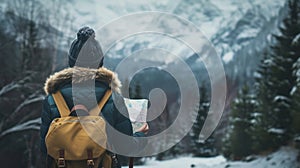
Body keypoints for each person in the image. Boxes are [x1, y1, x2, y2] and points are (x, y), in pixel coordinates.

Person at [40, 27, 149, 167]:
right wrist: (141, 135)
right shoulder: (112, 99)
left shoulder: (53, 99)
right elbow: (126, 147)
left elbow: (45, 148)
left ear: (71, 62)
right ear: (100, 63)